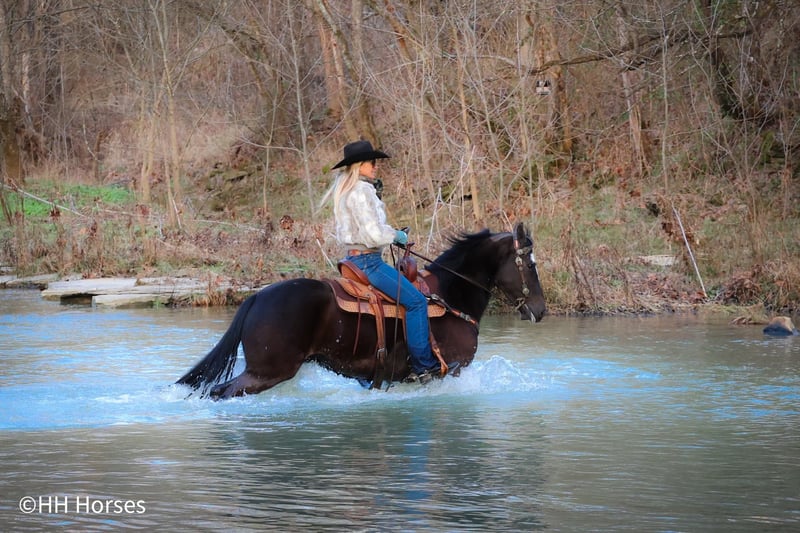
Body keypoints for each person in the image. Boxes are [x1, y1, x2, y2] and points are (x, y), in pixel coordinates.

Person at [321, 139, 444, 382]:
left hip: (352, 259)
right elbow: (375, 234)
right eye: (372, 162)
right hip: (370, 263)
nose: (376, 166)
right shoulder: (362, 191)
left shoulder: (345, 190)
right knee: (417, 302)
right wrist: (397, 236)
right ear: (359, 165)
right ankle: (423, 367)